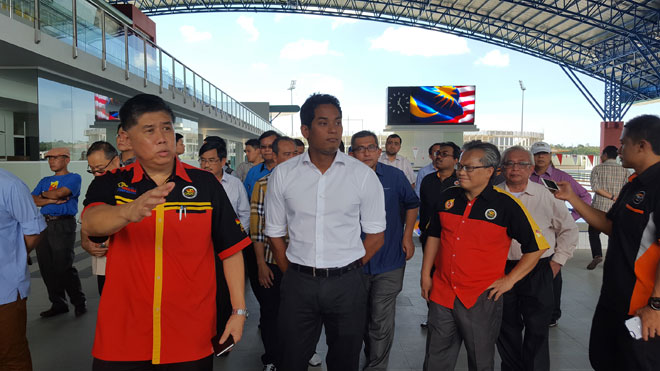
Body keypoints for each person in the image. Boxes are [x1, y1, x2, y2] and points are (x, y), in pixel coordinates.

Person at [81, 94, 250, 370]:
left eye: (167, 128)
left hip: (189, 335)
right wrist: (128, 212)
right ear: (125, 137)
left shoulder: (204, 184)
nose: (162, 137)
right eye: (149, 130)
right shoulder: (113, 183)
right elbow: (91, 222)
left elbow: (231, 251)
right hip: (123, 336)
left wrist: (238, 311)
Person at [265, 93, 386, 371]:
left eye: (338, 122)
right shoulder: (284, 175)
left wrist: (349, 268)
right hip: (299, 282)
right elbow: (273, 232)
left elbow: (376, 235)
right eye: (323, 122)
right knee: (291, 359)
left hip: (347, 285)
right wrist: (292, 272)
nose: (333, 129)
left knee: (345, 360)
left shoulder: (362, 175)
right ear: (305, 130)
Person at [421, 141, 549, 371]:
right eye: (461, 166)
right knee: (435, 358)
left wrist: (510, 280)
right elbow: (434, 236)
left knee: (480, 359)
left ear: (490, 171)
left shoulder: (506, 205)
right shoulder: (448, 198)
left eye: (469, 168)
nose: (461, 171)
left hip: (481, 297)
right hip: (442, 292)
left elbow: (537, 246)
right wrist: (425, 275)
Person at [553, 114, 660, 371]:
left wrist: (656, 305)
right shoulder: (634, 184)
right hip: (615, 297)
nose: (618, 150)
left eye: (623, 144)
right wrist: (573, 198)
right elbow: (612, 227)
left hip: (643, 306)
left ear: (642, 146)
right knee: (604, 359)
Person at [495, 146, 579, 371]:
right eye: (510, 163)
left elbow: (569, 230)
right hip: (502, 269)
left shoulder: (546, 195)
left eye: (521, 164)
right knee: (506, 327)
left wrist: (557, 262)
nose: (515, 169)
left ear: (531, 168)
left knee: (537, 327)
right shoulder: (493, 196)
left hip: (539, 268)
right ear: (502, 168)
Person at [351, 130, 419, 371]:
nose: (366, 152)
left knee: (381, 319)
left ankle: (376, 367)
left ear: (379, 152)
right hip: (353, 264)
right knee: (358, 320)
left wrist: (407, 236)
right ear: (351, 153)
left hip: (389, 261)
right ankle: (370, 355)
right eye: (360, 148)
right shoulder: (341, 179)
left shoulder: (395, 176)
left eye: (370, 147)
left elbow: (412, 204)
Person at [529, 141, 591, 327]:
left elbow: (585, 197)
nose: (541, 157)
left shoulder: (560, 176)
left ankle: (553, 314)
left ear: (549, 156)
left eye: (544, 154)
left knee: (553, 271)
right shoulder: (526, 175)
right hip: (529, 230)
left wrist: (571, 217)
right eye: (538, 154)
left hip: (552, 231)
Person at [249, 136, 297, 371]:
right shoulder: (263, 185)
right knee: (271, 313)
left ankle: (299, 355)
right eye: (287, 154)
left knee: (300, 315)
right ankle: (272, 358)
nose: (293, 159)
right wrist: (260, 264)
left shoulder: (311, 185)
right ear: (275, 157)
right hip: (272, 261)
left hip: (302, 264)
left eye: (296, 153)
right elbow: (257, 229)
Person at [198, 138, 250, 351]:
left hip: (227, 251)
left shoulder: (235, 184)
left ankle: (222, 336)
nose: (206, 165)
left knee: (225, 294)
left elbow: (244, 214)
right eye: (202, 160)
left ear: (223, 161)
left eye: (211, 160)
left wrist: (232, 240)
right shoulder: (196, 183)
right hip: (200, 250)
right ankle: (201, 334)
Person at [31, 147, 86, 318]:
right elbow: (32, 199)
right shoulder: (45, 179)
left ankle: (78, 301)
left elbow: (62, 193)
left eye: (55, 158)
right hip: (44, 224)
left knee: (63, 265)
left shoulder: (74, 178)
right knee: (46, 266)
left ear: (67, 159)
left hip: (63, 224)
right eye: (49, 158)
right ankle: (58, 303)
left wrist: (45, 196)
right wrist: (52, 199)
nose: (51, 161)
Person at [0, 169, 47, 371]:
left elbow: (34, 231)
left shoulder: (9, 185)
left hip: (4, 290)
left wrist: (14, 255)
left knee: (10, 356)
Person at [417, 141, 460, 328]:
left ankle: (458, 316)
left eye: (444, 154)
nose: (439, 156)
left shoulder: (461, 182)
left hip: (455, 241)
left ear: (456, 160)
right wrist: (423, 233)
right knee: (432, 277)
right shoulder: (428, 180)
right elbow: (423, 208)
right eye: (437, 153)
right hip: (430, 238)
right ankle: (433, 314)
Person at [82, 141, 121, 295]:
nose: (97, 174)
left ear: (116, 161)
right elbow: (87, 216)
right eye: (92, 170)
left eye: (100, 169)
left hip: (129, 257)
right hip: (104, 257)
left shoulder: (132, 182)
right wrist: (86, 240)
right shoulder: (96, 186)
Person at [586, 145, 628, 270]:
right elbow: (626, 190)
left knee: (593, 233)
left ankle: (597, 255)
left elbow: (596, 188)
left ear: (605, 155)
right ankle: (612, 259)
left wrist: (611, 196)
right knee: (613, 234)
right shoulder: (624, 170)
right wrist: (616, 198)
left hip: (598, 207)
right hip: (616, 208)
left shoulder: (597, 169)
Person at [244, 131, 281, 199]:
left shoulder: (287, 171)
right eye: (263, 147)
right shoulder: (253, 172)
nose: (267, 150)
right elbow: (245, 198)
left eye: (271, 146)